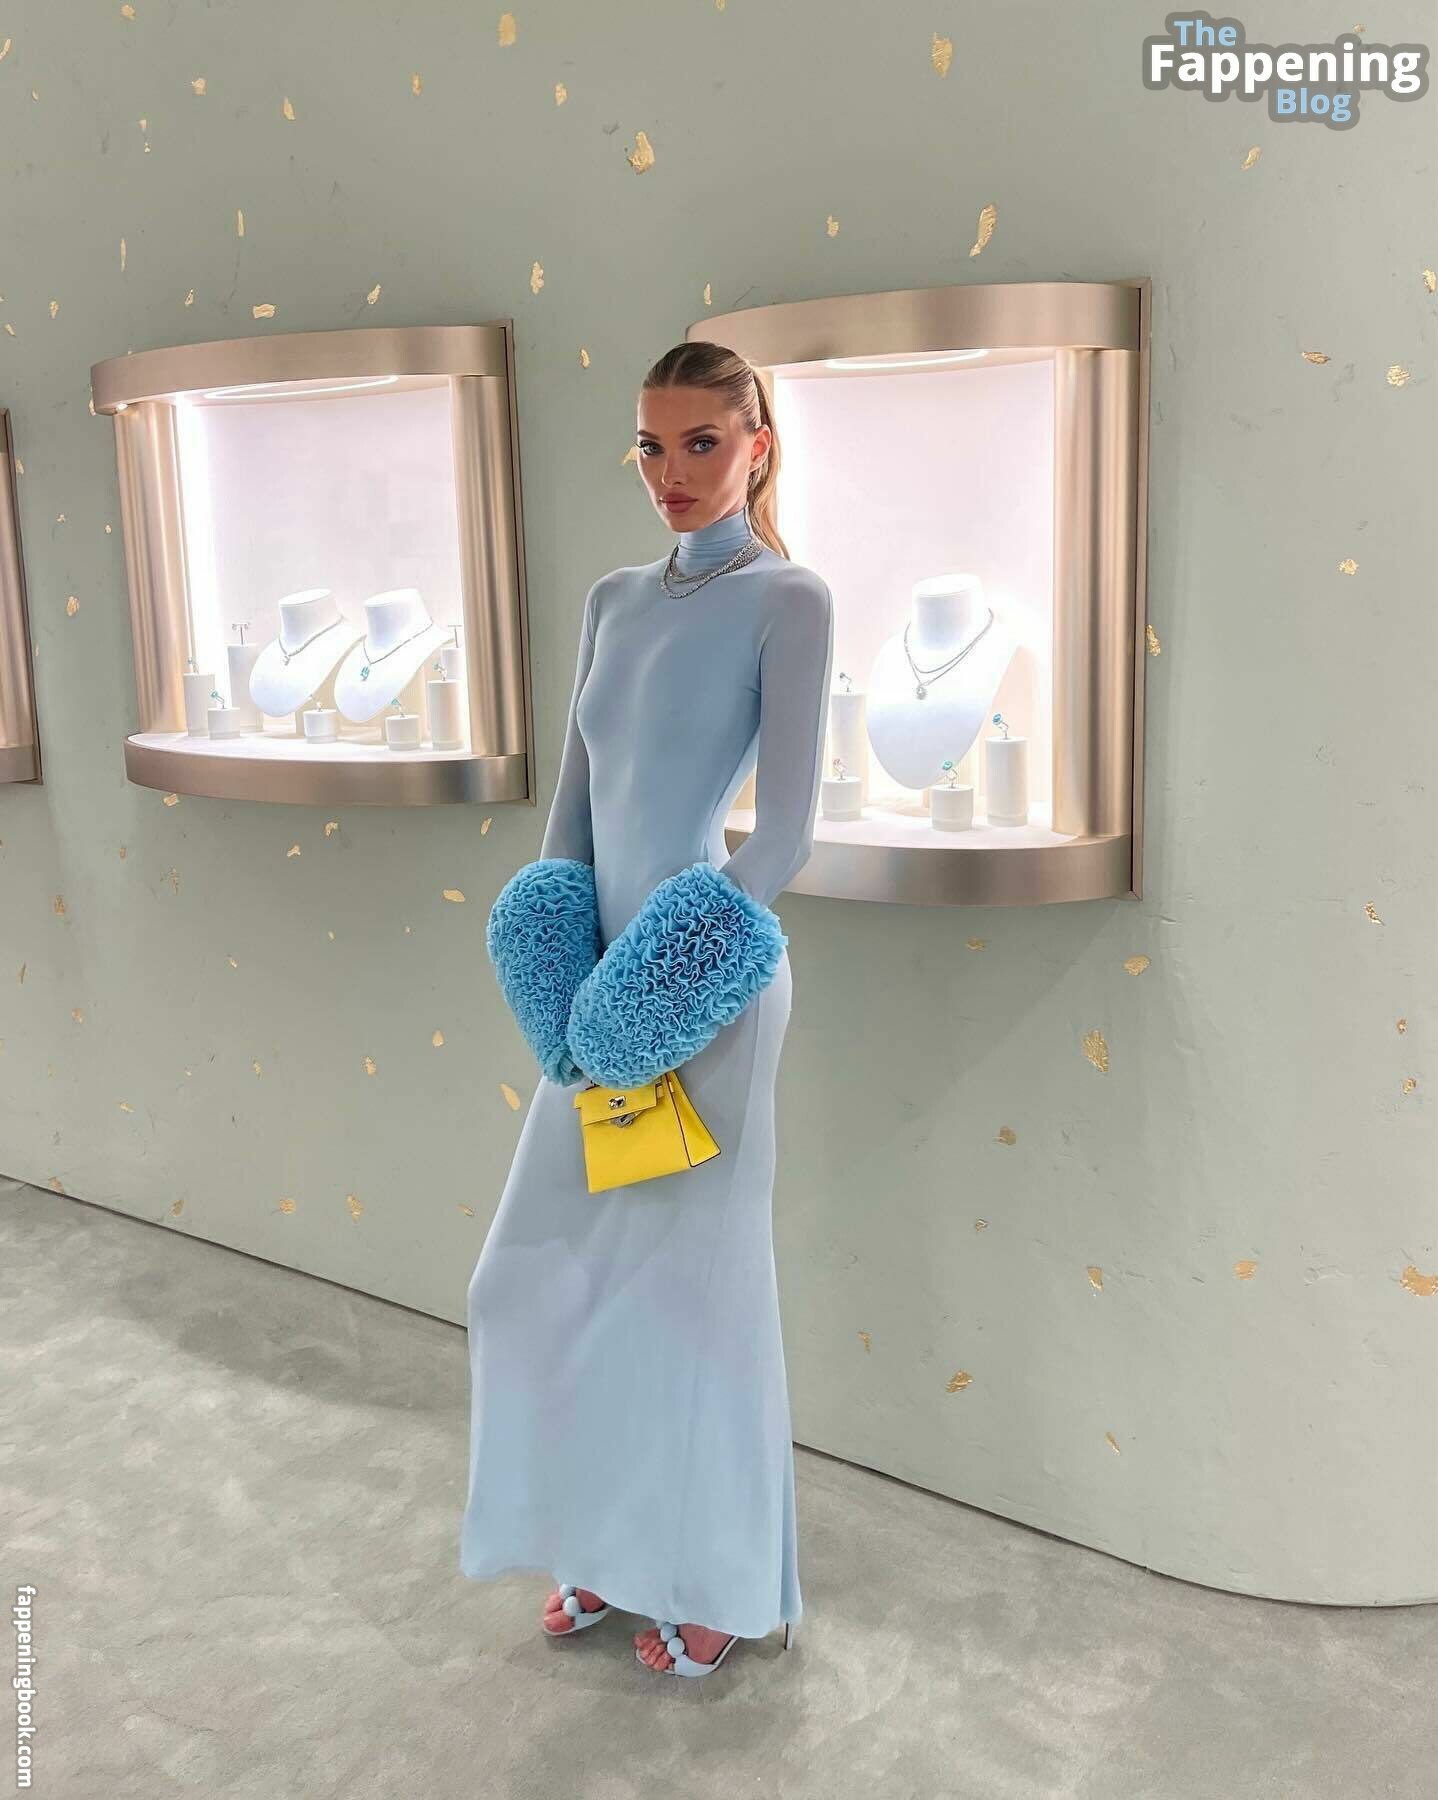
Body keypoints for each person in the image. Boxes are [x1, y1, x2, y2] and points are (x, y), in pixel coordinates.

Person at [461, 339, 834, 1680]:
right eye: (651, 445)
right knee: (543, 1277)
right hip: (594, 1000)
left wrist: (667, 982)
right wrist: (566, 977)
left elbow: (783, 836)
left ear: (756, 447)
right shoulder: (615, 600)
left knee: (694, 1294)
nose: (670, 471)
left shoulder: (788, 600)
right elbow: (571, 815)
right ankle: (606, 1547)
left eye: (701, 443)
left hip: (708, 993)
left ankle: (716, 1585)